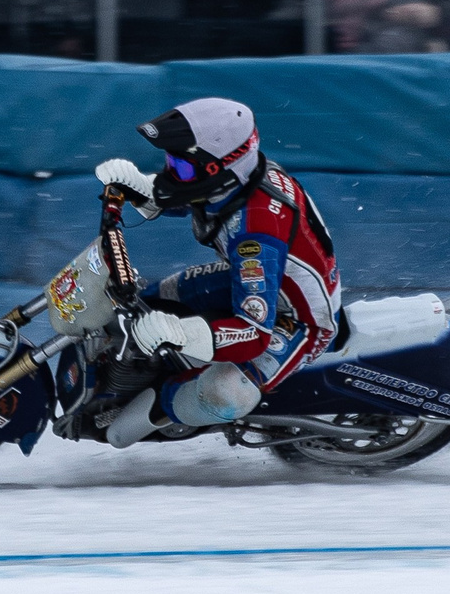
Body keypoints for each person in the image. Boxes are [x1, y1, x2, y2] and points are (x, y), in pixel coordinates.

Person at [93, 97, 343, 447]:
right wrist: (139, 187)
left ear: (221, 168)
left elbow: (254, 332)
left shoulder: (257, 233)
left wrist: (182, 333)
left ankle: (150, 412)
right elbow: (192, 196)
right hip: (249, 279)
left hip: (297, 320)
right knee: (150, 300)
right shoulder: (237, 180)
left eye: (181, 166)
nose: (172, 172)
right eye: (171, 162)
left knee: (224, 393)